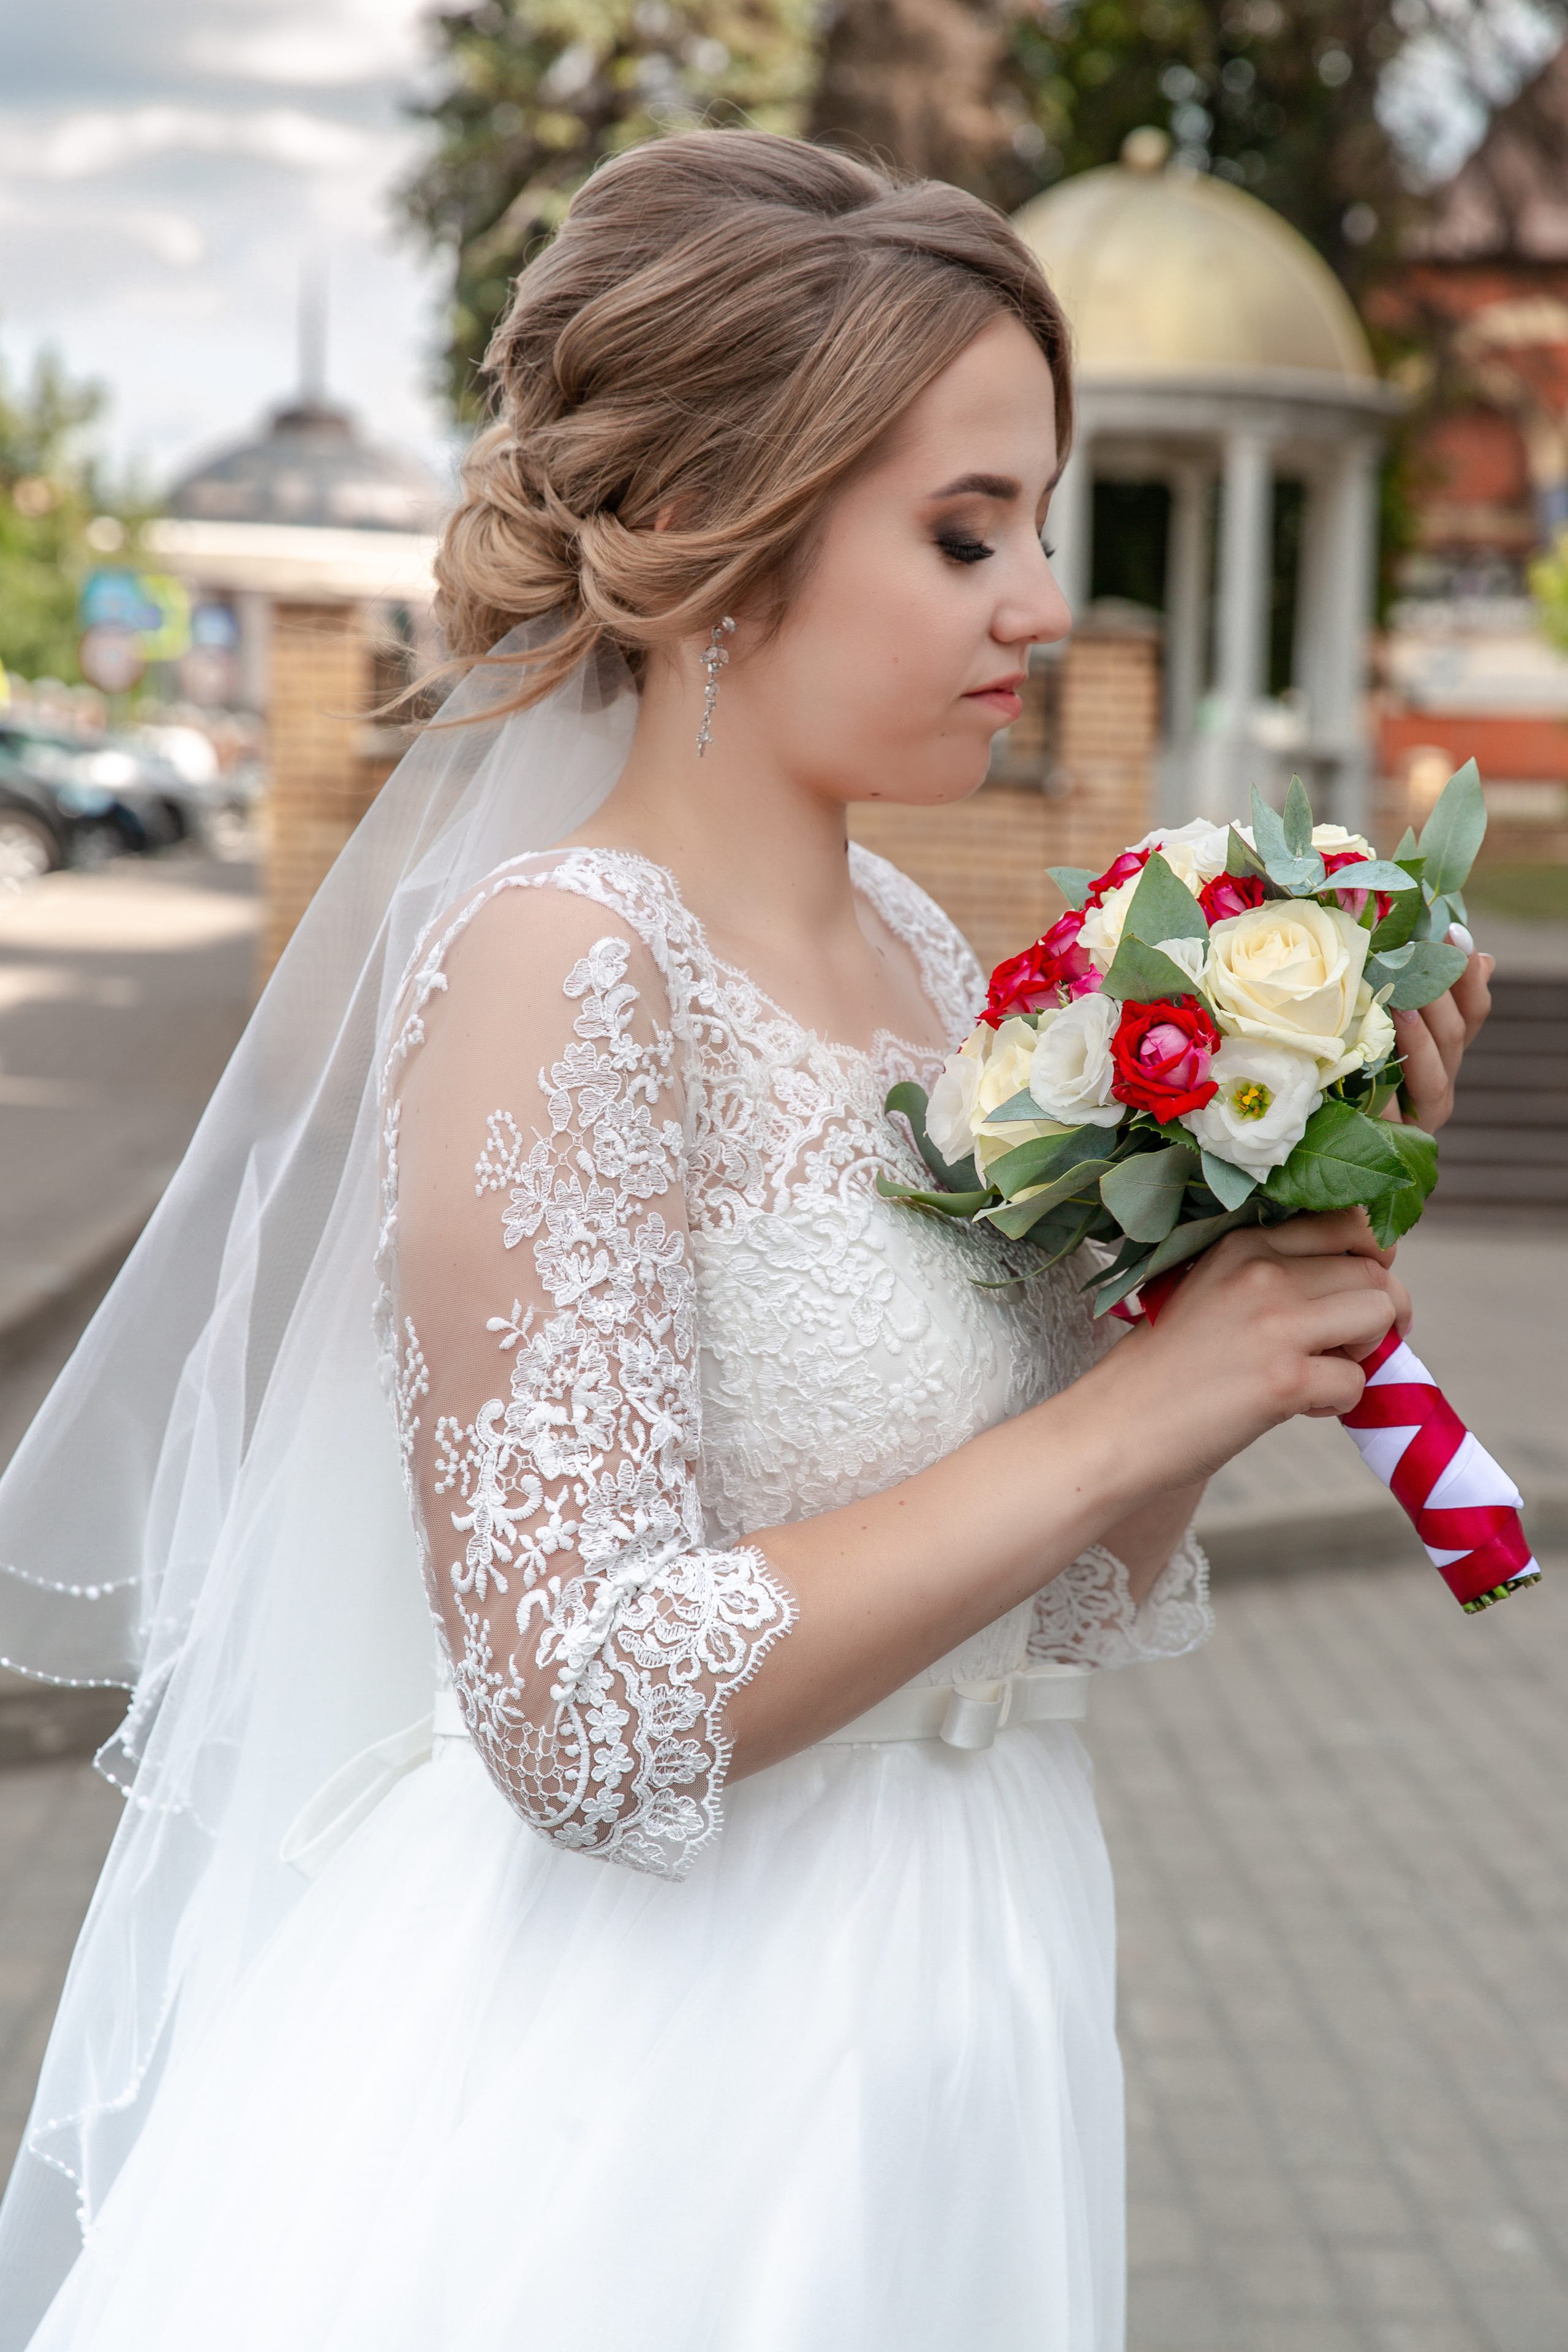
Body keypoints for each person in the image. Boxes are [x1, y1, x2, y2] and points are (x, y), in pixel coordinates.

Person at [0, 131, 1491, 2351]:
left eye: (1042, 527)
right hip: (660, 2072)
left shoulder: (909, 950)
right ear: (721, 548)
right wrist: (1121, 1424)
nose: (1038, 603)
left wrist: (1234, 1292)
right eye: (965, 530)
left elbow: (1058, 1596)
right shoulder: (561, 965)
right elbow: (577, 1706)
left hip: (958, 1978)